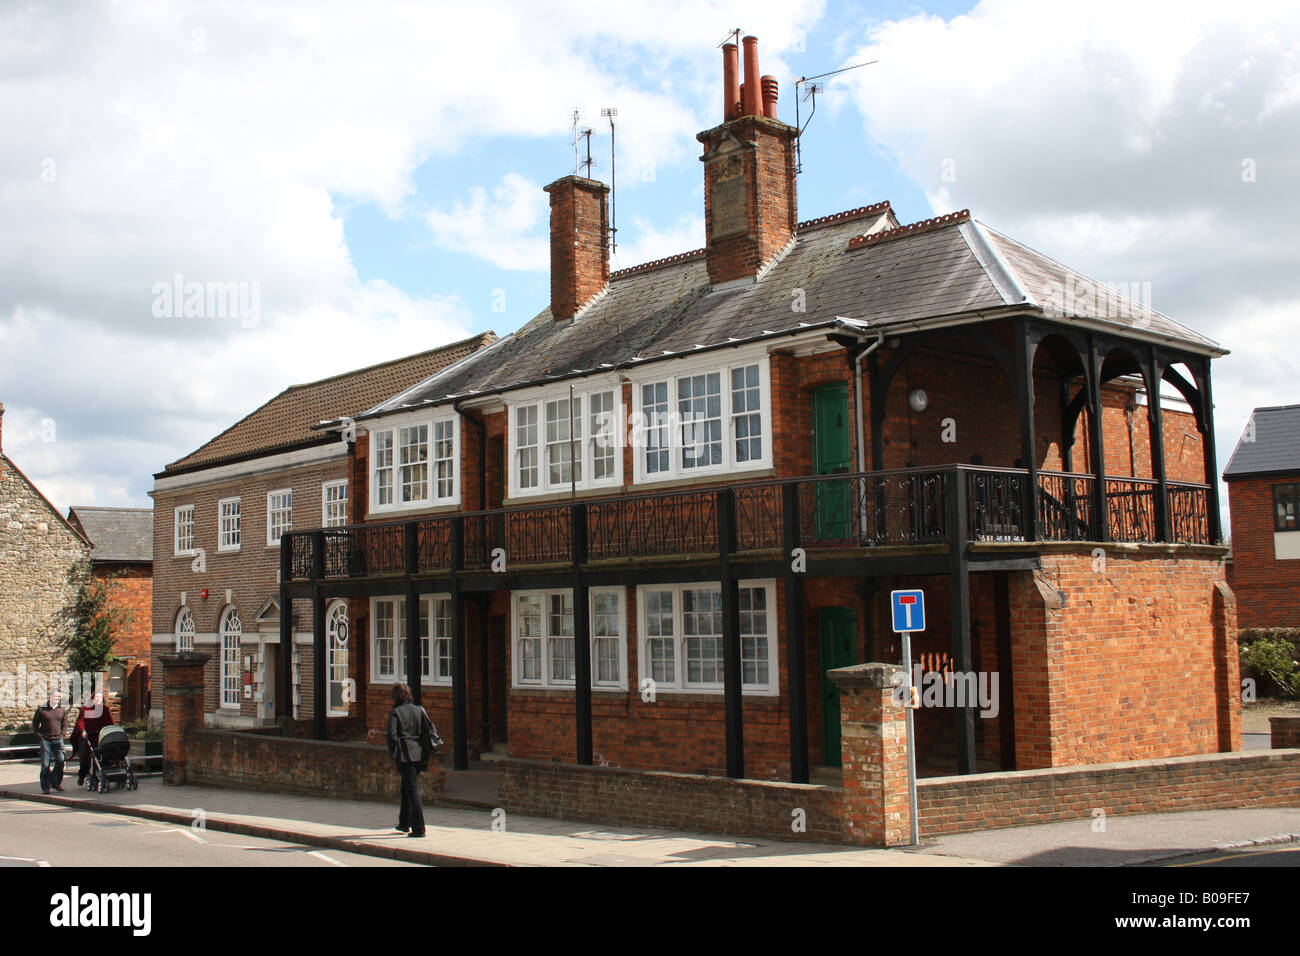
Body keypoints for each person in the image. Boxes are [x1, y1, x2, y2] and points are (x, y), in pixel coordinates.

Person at [385, 683, 438, 839]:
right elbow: (425, 732)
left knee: (412, 790)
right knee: (406, 787)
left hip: (405, 755)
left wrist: (393, 754)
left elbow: (392, 737)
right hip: (419, 754)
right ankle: (403, 822)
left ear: (395, 696)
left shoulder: (395, 713)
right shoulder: (418, 710)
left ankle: (419, 827)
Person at [71, 691, 116, 787]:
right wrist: (83, 730)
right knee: (85, 757)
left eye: (100, 698)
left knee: (100, 755)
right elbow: (81, 721)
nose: (98, 700)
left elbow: (109, 722)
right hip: (88, 736)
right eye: (96, 698)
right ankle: (82, 775)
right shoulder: (86, 709)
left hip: (100, 736)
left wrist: (111, 730)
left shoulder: (105, 710)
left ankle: (98, 774)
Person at [32, 690, 69, 794]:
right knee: (45, 764)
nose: (57, 698)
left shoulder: (62, 709)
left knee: (61, 761)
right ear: (50, 697)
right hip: (46, 740)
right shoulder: (41, 709)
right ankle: (45, 787)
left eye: (59, 697)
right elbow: (35, 724)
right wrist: (39, 735)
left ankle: (56, 782)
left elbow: (65, 723)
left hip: (58, 739)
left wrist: (62, 734)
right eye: (55, 696)